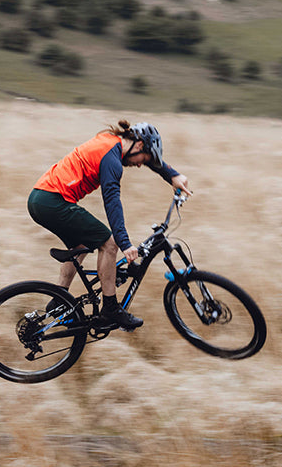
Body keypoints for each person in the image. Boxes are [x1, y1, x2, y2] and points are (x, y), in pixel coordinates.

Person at [27, 120, 190, 331]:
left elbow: (145, 158)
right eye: (144, 159)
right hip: (52, 202)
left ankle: (59, 300)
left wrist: (173, 175)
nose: (141, 164)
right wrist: (124, 243)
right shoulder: (111, 159)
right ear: (139, 145)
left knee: (80, 245)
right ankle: (110, 309)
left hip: (40, 198)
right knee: (109, 243)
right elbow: (112, 202)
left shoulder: (111, 142)